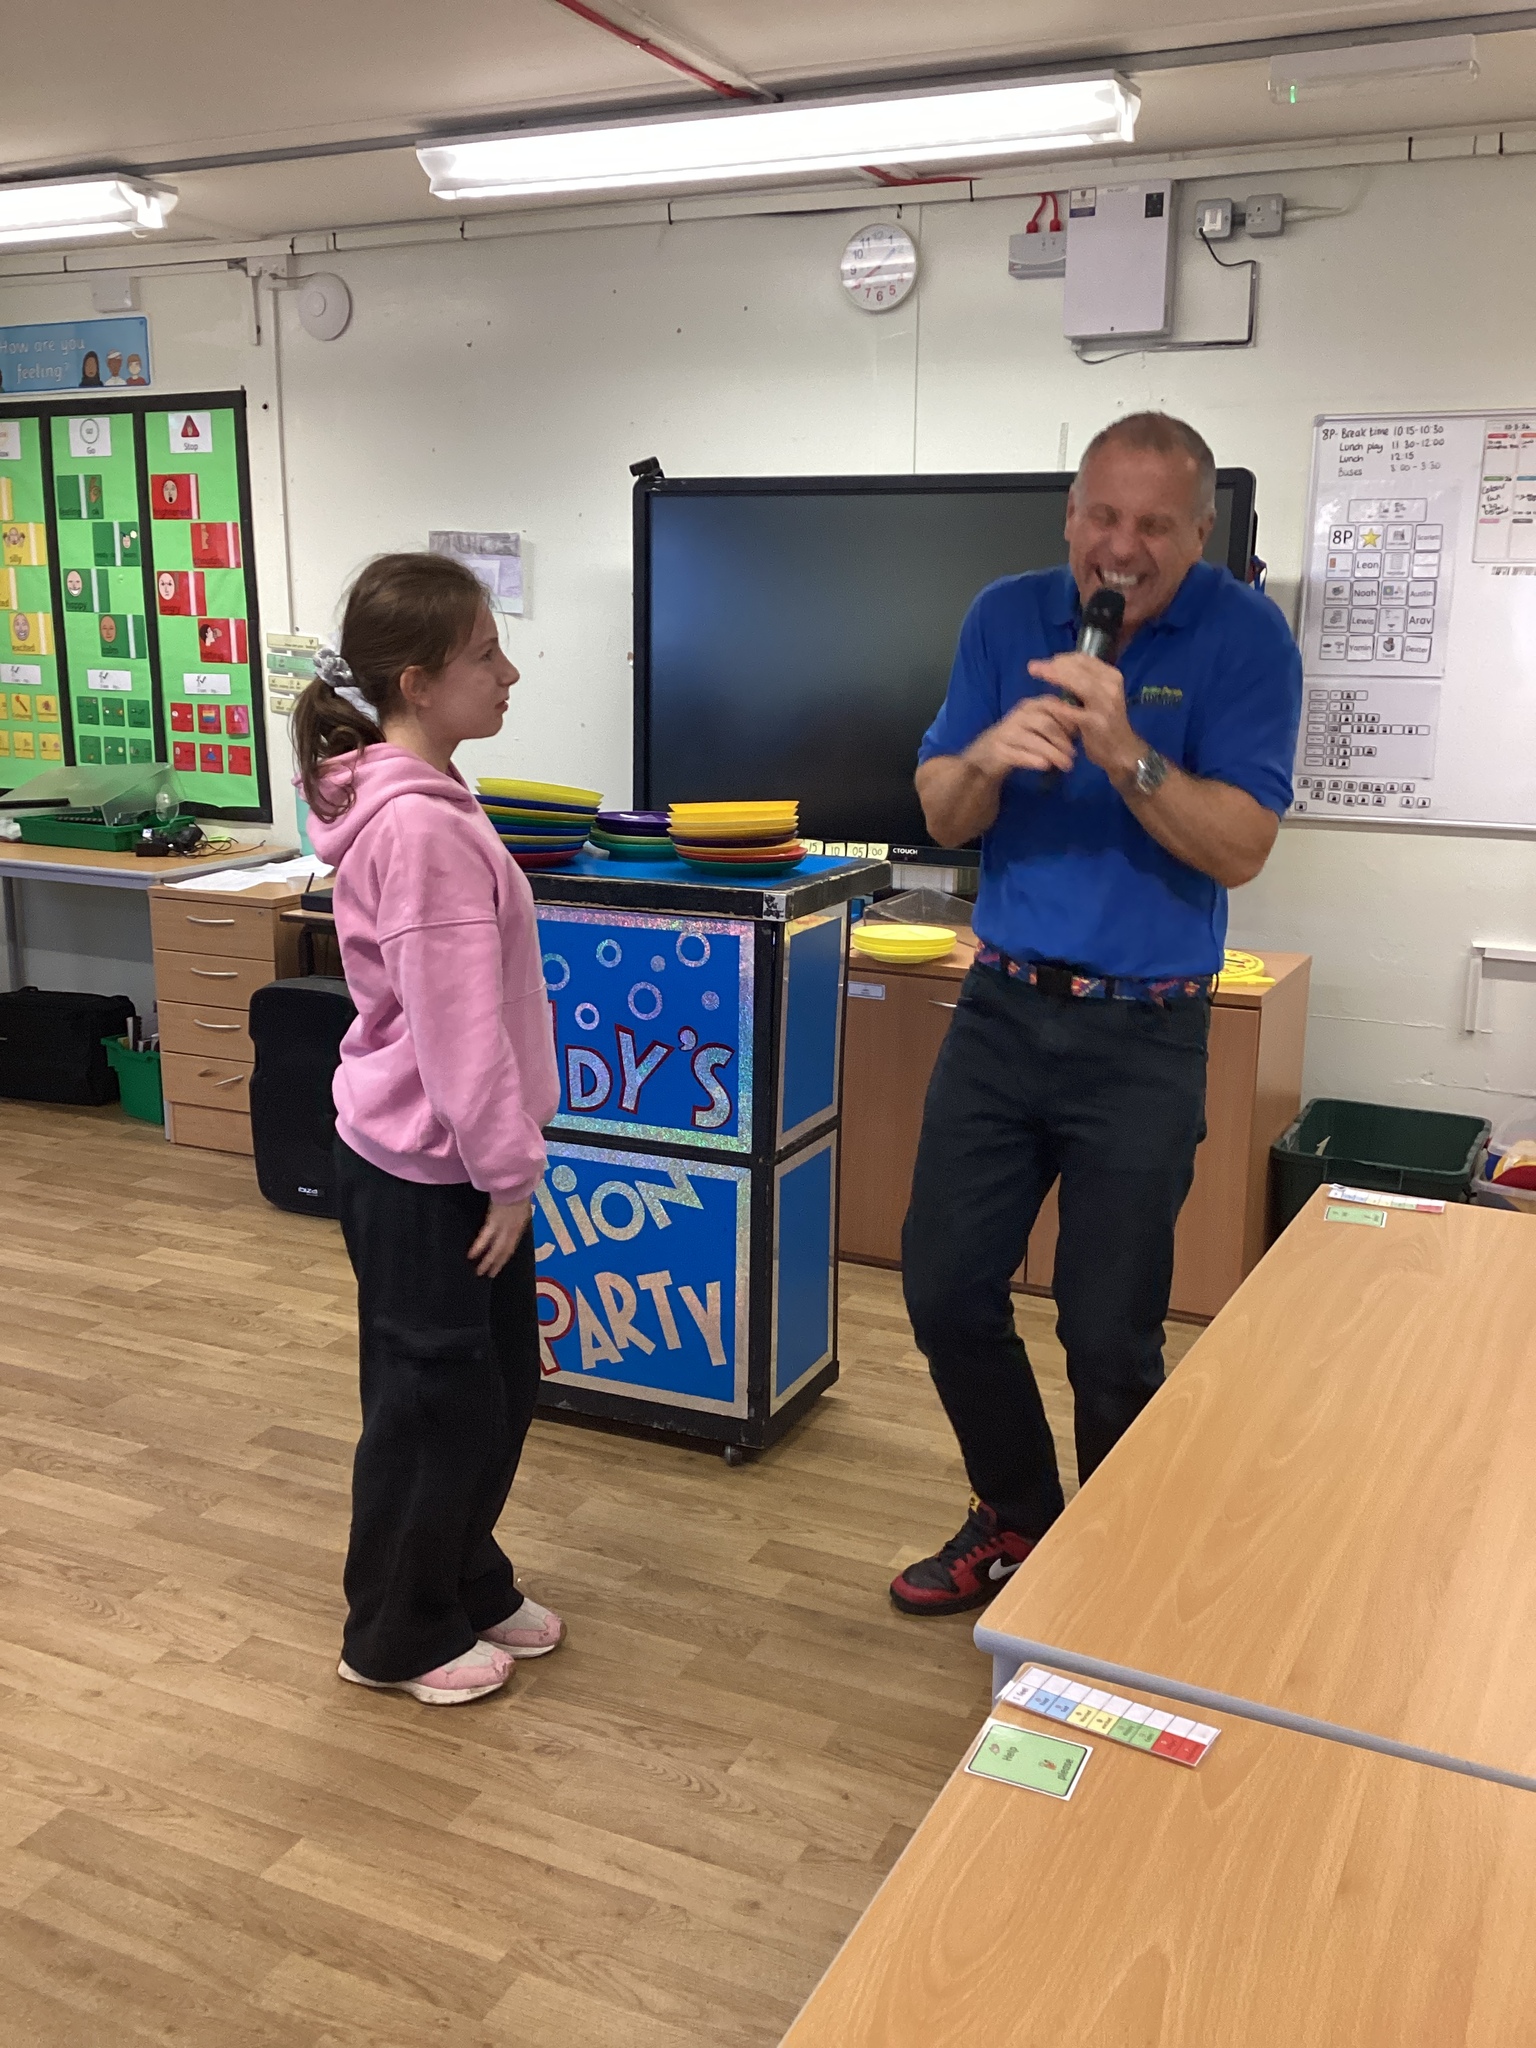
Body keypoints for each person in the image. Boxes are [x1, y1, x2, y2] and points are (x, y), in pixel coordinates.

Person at [890, 413, 1302, 1617]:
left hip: (1146, 1032)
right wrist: (986, 759)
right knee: (944, 1289)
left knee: (1109, 1331)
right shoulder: (1003, 615)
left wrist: (1125, 751)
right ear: (1071, 515)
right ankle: (1021, 1516)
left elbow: (1241, 847)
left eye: (1154, 526)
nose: (1121, 549)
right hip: (1003, 1009)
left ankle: (1119, 1578)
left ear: (1200, 533)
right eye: (1103, 517)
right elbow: (940, 810)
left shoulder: (1247, 638)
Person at [294, 552, 563, 1704]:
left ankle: (462, 1575)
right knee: (432, 1399)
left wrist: (500, 1166)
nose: (509, 673)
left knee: (491, 1386)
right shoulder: (421, 828)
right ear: (417, 680)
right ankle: (395, 1632)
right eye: (485, 656)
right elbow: (457, 1030)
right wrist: (507, 1172)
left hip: (448, 1159)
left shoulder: (433, 798)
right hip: (428, 1169)